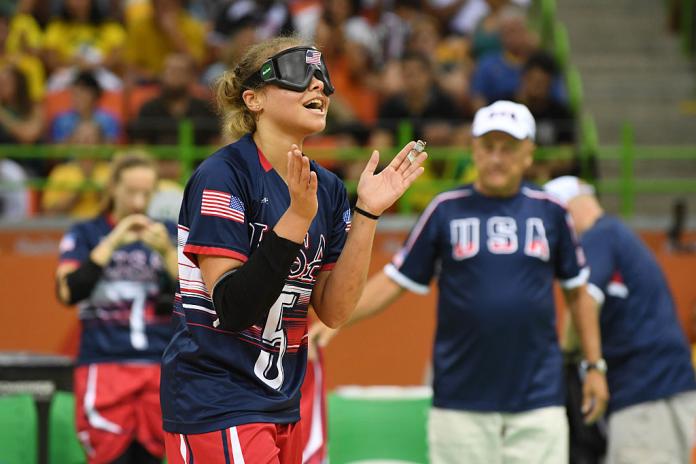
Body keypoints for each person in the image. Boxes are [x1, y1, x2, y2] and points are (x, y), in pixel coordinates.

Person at [159, 36, 426, 463]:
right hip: (217, 400)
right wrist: (297, 219)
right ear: (254, 99)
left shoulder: (331, 188)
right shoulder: (222, 176)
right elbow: (232, 307)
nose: (318, 86)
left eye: (322, 76)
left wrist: (368, 215)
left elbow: (335, 311)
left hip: (282, 398)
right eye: (300, 74)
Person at [322, 100, 608, 463]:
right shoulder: (446, 209)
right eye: (488, 147)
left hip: (538, 405)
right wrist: (336, 317)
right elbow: (396, 279)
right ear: (473, 149)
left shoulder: (550, 210)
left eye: (508, 148)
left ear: (528, 154)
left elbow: (578, 292)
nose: (497, 158)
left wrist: (595, 367)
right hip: (460, 406)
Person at [544, 175, 696, 464]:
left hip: (645, 399)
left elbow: (583, 299)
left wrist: (572, 357)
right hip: (665, 390)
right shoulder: (619, 236)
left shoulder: (597, 236)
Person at [55, 153, 178, 463]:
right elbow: (68, 291)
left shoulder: (167, 234)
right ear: (112, 189)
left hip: (157, 365)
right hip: (105, 364)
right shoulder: (86, 233)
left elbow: (197, 294)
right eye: (130, 192)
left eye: (146, 193)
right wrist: (113, 241)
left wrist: (165, 252)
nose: (138, 202)